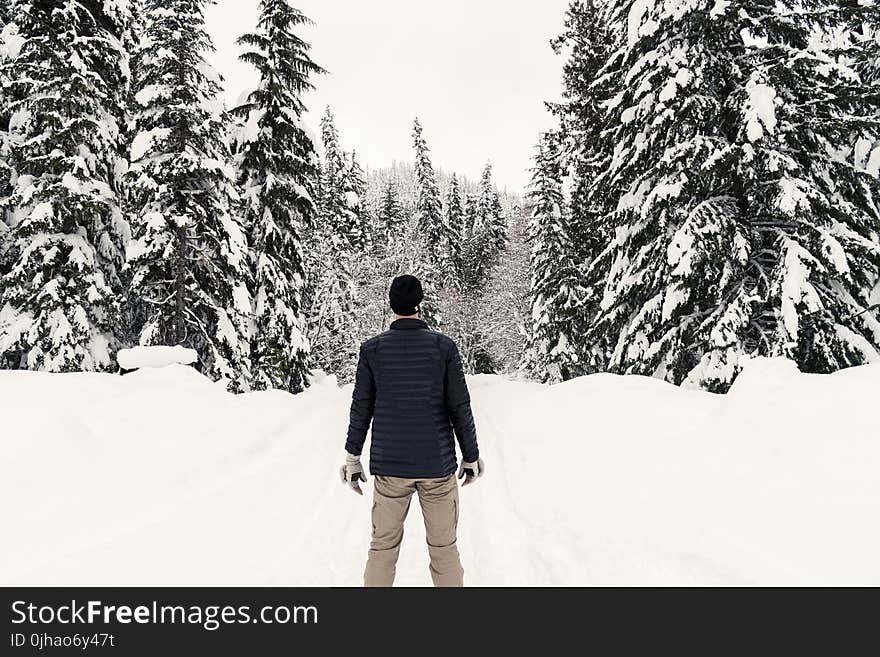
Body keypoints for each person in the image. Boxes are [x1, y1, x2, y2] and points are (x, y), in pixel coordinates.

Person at [340, 274, 485, 587]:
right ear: (421, 304)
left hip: (390, 469)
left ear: (391, 304)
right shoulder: (444, 348)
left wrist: (353, 457)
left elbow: (361, 407)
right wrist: (471, 456)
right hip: (438, 466)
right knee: (444, 549)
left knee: (382, 549)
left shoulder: (373, 350)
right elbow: (459, 406)